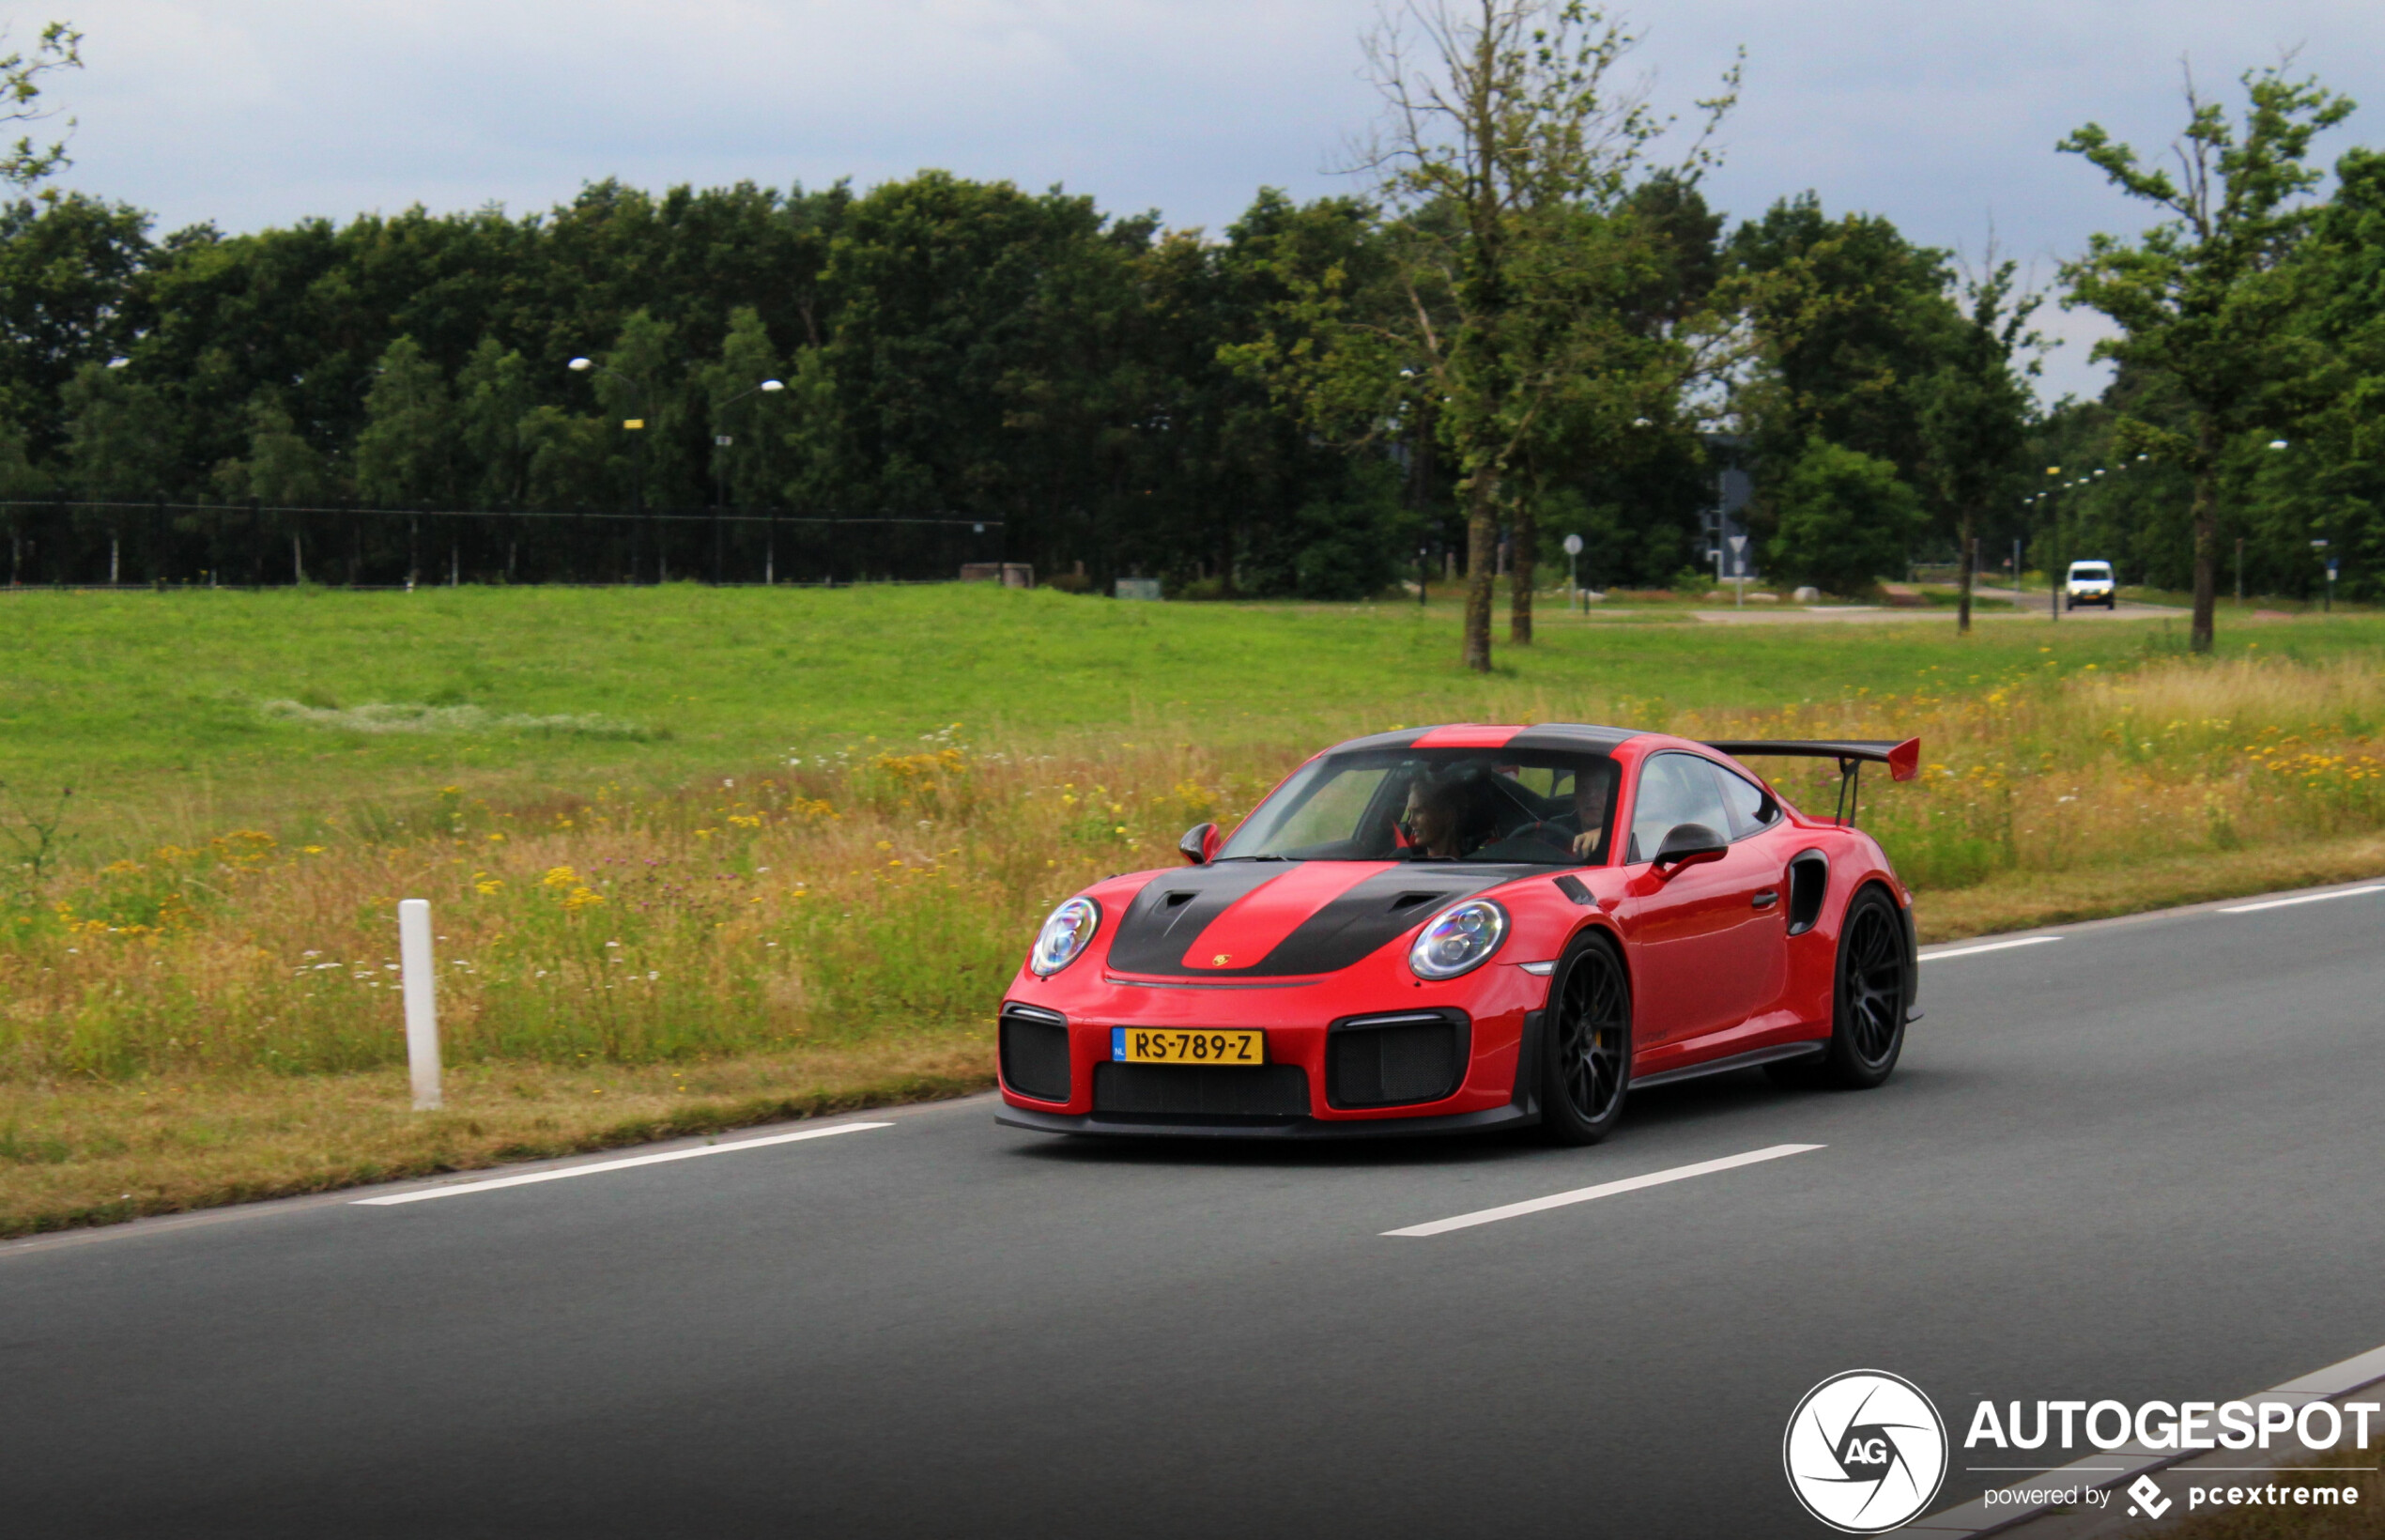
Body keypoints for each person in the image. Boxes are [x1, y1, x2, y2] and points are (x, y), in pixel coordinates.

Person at [1567, 761, 1617, 858]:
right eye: (1583, 788)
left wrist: (1607, 834)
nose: (1591, 796)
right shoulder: (1555, 831)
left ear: (1615, 793)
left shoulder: (1628, 831)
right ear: (1575, 795)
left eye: (1600, 787)